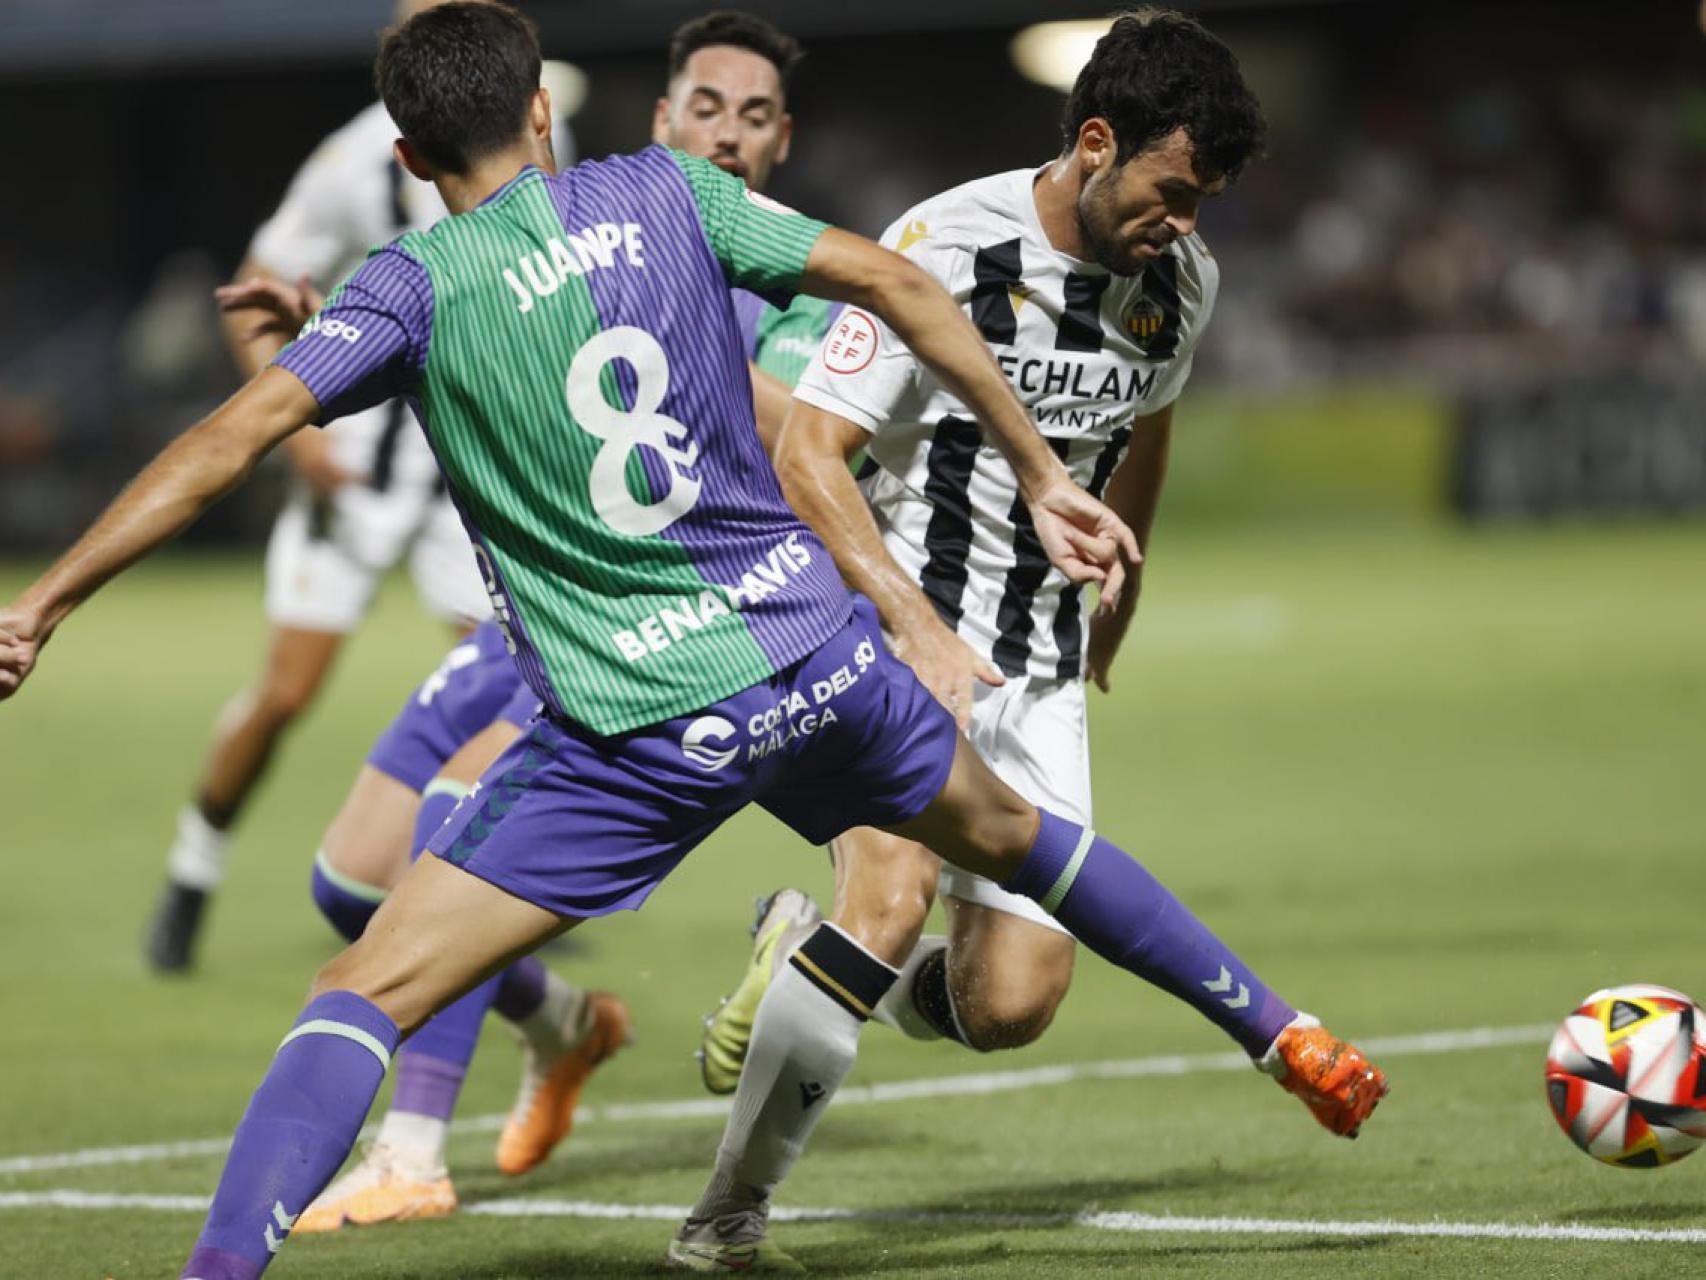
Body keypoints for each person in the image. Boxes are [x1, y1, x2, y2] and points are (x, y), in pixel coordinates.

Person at [0, 7, 1385, 1278]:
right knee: (1021, 843)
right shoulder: (673, 194)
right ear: (545, 113)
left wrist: (44, 601)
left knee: (361, 983)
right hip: (820, 662)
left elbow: (223, 444)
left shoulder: (409, 288)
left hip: (643, 727)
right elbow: (900, 290)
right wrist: (1035, 466)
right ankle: (1283, 1033)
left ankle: (228, 1264)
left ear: (414, 153)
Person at [680, 9, 1289, 1267]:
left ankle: (801, 954)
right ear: (1093, 140)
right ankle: (727, 1214)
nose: (1184, 221)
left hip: (1037, 662)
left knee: (1007, 1003)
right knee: (891, 896)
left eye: (1207, 200)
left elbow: (1144, 426)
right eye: (1173, 190)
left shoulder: (1182, 280)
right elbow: (808, 453)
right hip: (888, 632)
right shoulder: (941, 246)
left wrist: (1123, 588)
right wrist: (902, 621)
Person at [265, 9, 845, 1231]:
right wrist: (344, 341)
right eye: (704, 109)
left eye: (752, 118)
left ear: (781, 139)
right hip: (520, 615)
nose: (725, 135)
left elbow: (792, 435)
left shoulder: (773, 269)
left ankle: (411, 1150)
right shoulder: (595, 222)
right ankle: (567, 1023)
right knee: (342, 883)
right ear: (659, 121)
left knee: (449, 819)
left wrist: (610, 317)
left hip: (652, 626)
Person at [140, 0, 574, 974]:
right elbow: (258, 282)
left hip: (470, 483)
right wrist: (297, 445)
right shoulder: (350, 163)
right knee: (285, 692)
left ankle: (503, 880)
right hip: (357, 481)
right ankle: (191, 872)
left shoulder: (533, 131)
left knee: (517, 682)